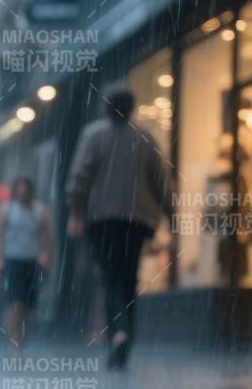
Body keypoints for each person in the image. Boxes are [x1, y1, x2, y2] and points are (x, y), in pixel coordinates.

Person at [65, 84, 173, 369]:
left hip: (102, 219)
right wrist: (171, 214)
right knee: (128, 279)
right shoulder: (145, 138)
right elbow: (161, 181)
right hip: (137, 220)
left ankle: (119, 333)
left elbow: (79, 176)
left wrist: (76, 212)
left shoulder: (93, 135)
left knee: (110, 277)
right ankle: (125, 337)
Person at [0, 177, 51, 357]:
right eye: (20, 189)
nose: (23, 192)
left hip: (32, 262)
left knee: (29, 308)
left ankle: (20, 337)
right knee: (15, 303)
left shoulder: (39, 210)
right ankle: (14, 342)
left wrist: (45, 254)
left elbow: (47, 235)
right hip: (12, 260)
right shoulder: (7, 209)